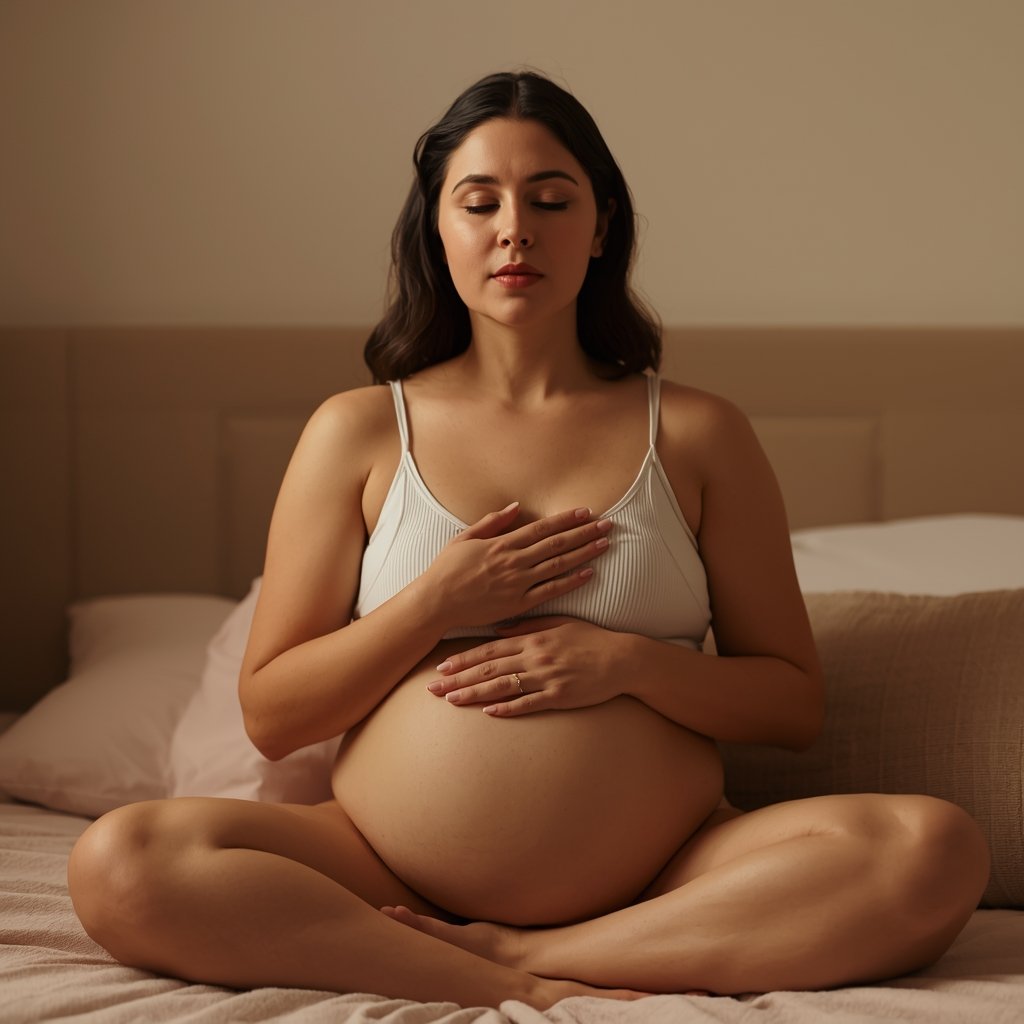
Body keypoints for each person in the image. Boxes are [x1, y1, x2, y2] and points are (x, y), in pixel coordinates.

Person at [67, 70, 989, 1009]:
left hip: (667, 873)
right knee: (122, 860)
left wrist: (625, 665)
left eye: (552, 200)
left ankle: (520, 963)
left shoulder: (700, 434)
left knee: (933, 847)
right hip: (382, 870)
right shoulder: (357, 432)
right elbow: (273, 715)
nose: (516, 229)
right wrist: (436, 605)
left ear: (601, 228)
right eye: (481, 203)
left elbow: (791, 705)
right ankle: (516, 967)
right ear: (439, 228)